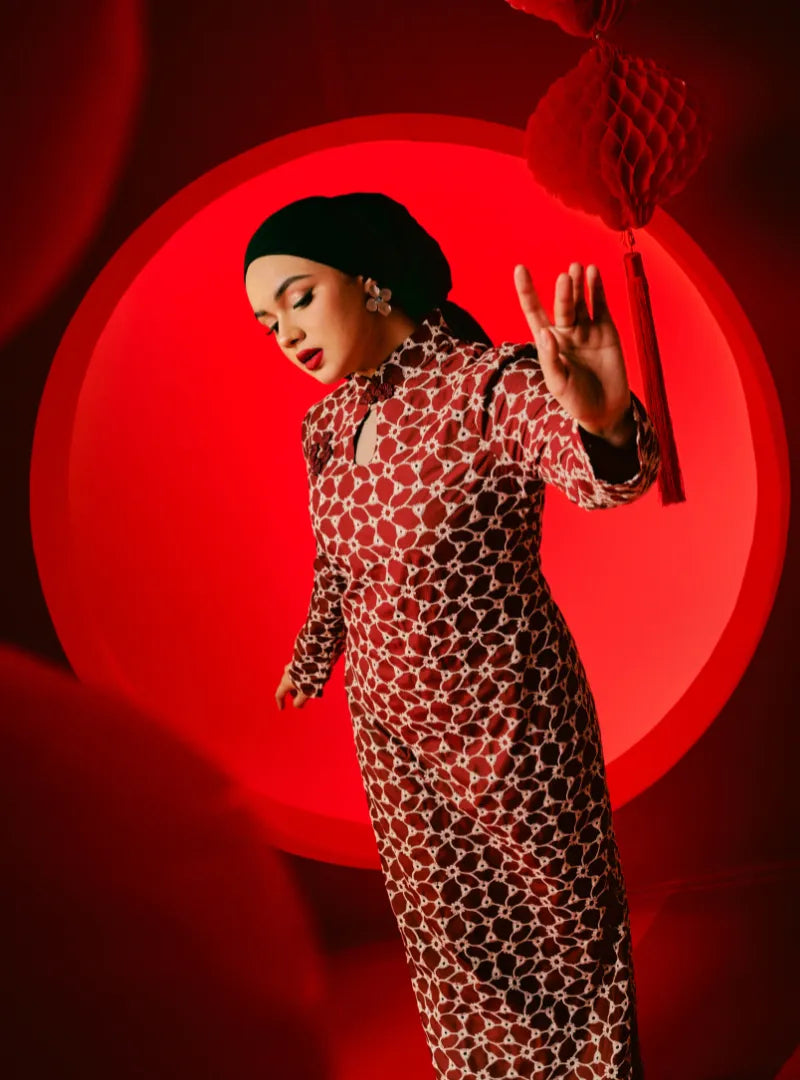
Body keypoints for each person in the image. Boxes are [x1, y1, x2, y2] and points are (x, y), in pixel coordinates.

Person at [244, 192, 659, 1080]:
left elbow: (606, 483)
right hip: (391, 732)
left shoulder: (490, 383)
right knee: (451, 947)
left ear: (369, 282)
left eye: (299, 297)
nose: (283, 332)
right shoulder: (325, 424)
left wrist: (605, 420)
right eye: (265, 319)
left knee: (565, 927)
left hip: (512, 716)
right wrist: (313, 655)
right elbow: (338, 562)